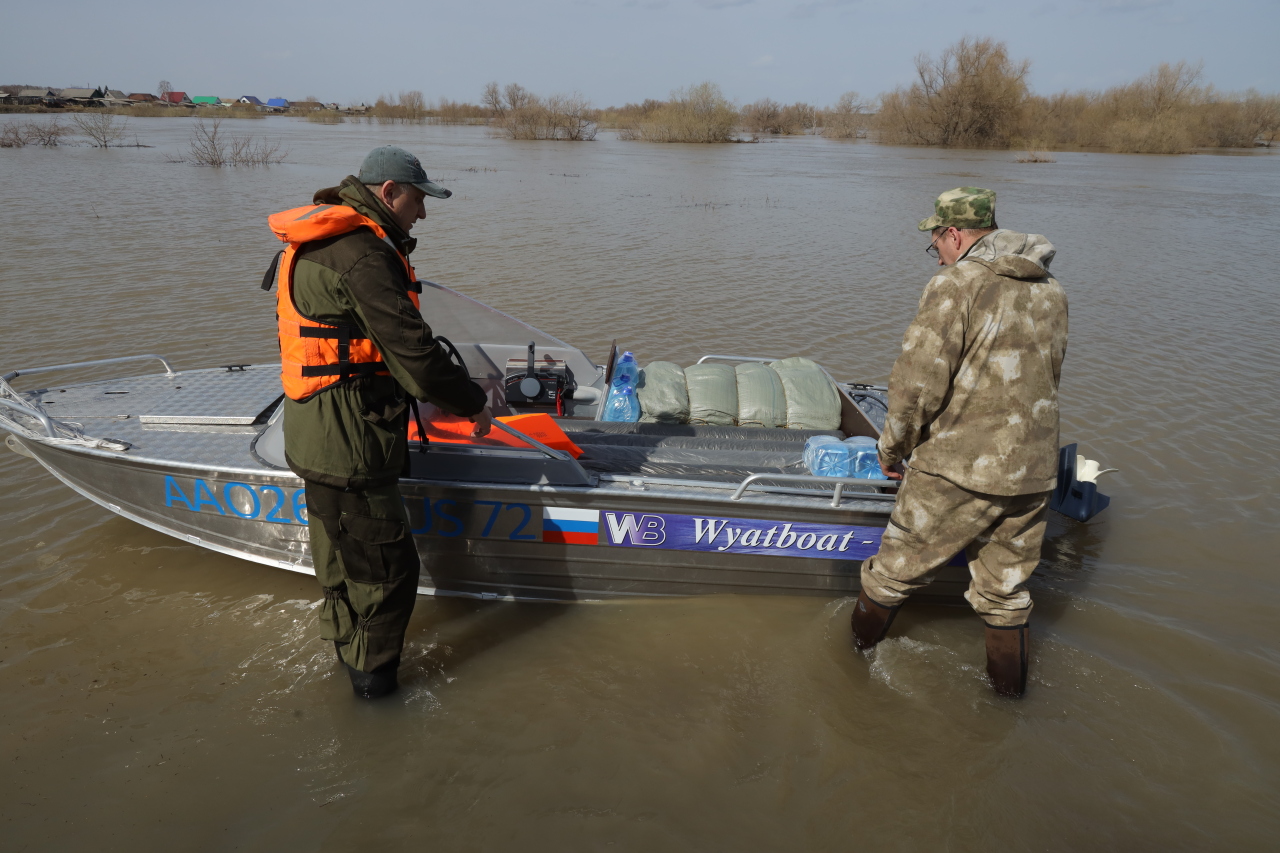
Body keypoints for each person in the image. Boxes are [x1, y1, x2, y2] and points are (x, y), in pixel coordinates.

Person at [266, 146, 492, 699]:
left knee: (341, 557)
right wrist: (473, 404)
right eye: (418, 200)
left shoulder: (325, 241)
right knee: (385, 571)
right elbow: (415, 355)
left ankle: (349, 659)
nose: (422, 213)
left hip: (316, 431)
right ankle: (376, 695)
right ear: (389, 192)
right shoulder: (362, 254)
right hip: (350, 445)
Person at [851, 187, 1068, 697]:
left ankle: (846, 668)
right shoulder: (1051, 289)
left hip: (959, 465)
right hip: (1033, 468)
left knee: (889, 576)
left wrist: (892, 449)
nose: (938, 254)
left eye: (936, 244)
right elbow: (1048, 374)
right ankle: (1010, 700)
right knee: (1006, 595)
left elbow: (916, 383)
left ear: (954, 234)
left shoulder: (955, 284)